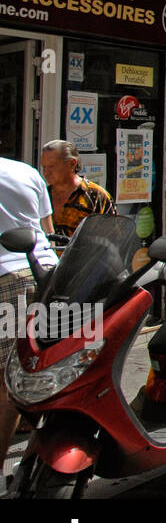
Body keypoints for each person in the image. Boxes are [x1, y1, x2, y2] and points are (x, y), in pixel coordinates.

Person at [0, 155, 58, 464]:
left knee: (5, 379)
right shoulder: (26, 172)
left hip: (7, 277)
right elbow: (48, 232)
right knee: (39, 367)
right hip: (44, 274)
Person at [40, 140, 116, 238]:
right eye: (44, 167)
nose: (46, 172)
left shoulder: (96, 195)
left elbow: (113, 237)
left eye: (51, 166)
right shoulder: (42, 195)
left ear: (72, 164)